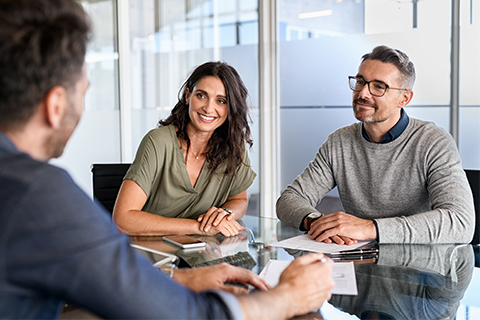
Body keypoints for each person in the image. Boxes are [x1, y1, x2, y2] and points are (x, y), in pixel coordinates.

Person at [0, 1, 336, 319]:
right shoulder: (38, 195)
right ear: (56, 104)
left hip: (170, 270)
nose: (209, 107)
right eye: (85, 91)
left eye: (220, 101)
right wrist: (287, 296)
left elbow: (97, 283)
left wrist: (181, 278)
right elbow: (186, 313)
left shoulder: (22, 189)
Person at [276, 45, 475, 245]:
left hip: (421, 267)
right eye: (360, 82)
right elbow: (289, 200)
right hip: (358, 262)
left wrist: (369, 227)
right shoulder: (339, 142)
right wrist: (316, 222)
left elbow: (459, 222)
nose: (363, 93)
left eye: (379, 86)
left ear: (404, 98)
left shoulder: (433, 142)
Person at [113, 61, 256, 237]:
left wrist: (225, 214)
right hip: (150, 255)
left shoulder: (234, 146)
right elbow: (122, 220)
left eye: (221, 101)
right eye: (201, 96)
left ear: (231, 107)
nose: (209, 108)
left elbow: (239, 199)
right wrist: (198, 228)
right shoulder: (158, 142)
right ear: (188, 96)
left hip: (201, 256)